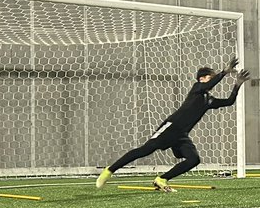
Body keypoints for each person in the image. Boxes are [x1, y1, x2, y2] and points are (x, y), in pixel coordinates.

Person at [96, 57, 249, 192]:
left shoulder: (208, 100)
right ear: (202, 79)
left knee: (193, 160)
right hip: (171, 127)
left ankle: (162, 179)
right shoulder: (197, 88)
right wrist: (224, 72)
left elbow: (229, 102)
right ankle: (109, 171)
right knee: (145, 150)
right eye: (211, 78)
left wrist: (237, 85)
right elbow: (207, 86)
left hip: (182, 135)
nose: (212, 81)